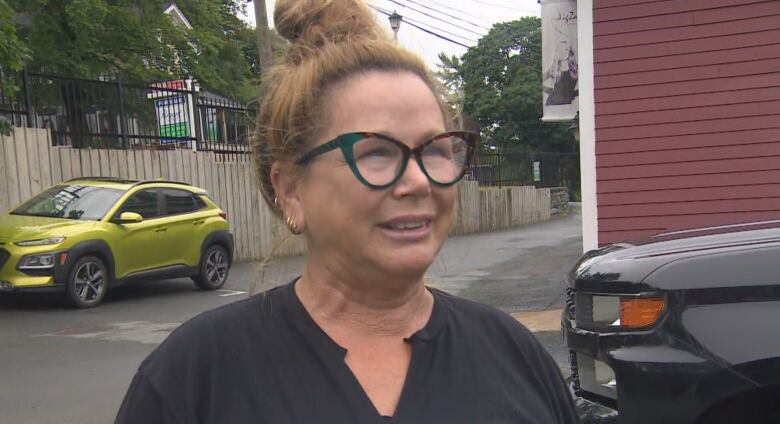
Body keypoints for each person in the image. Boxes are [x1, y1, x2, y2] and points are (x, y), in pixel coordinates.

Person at [115, 0, 580, 422]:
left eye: (436, 149)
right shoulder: (195, 379)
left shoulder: (514, 356)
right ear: (291, 189)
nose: (418, 181)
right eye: (376, 152)